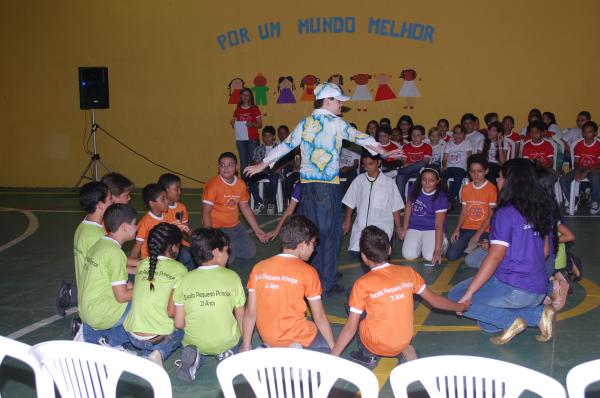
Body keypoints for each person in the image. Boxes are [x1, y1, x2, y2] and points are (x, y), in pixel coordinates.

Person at [244, 83, 399, 296]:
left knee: (311, 233)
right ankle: (326, 282)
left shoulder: (305, 123)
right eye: (338, 101)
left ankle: (317, 277)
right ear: (327, 101)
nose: (341, 106)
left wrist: (263, 164)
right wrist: (384, 152)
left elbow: (286, 145)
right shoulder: (336, 123)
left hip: (307, 187)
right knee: (330, 234)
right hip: (327, 187)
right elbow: (360, 137)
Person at [448, 159, 556, 345]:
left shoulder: (505, 212)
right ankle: (538, 314)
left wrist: (469, 294)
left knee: (456, 296)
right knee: (487, 325)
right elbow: (545, 251)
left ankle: (521, 318)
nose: (497, 181)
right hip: (539, 288)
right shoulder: (541, 207)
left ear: (509, 181)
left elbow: (495, 256)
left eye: (499, 177)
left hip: (515, 288)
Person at [332, 226, 468, 367]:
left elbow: (350, 328)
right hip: (403, 340)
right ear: (390, 249)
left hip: (376, 344)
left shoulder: (362, 284)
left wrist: (331, 359)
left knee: (351, 295)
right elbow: (435, 301)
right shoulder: (408, 272)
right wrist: (461, 306)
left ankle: (368, 354)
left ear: (364, 256)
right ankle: (404, 350)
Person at [242, 215, 335, 352]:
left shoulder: (259, 268)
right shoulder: (308, 272)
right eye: (313, 244)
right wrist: (334, 349)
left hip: (268, 337)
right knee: (325, 346)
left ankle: (269, 348)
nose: (314, 249)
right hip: (296, 336)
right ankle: (295, 353)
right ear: (303, 245)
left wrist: (245, 347)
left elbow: (250, 312)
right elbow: (319, 317)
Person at [174, 228, 245, 382]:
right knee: (235, 338)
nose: (228, 254)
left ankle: (195, 358)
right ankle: (228, 353)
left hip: (195, 340)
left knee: (192, 340)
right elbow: (240, 315)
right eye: (227, 251)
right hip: (225, 340)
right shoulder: (232, 277)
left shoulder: (184, 279)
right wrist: (244, 340)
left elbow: (179, 323)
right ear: (217, 253)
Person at [124, 223, 187, 367]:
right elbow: (172, 312)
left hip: (132, 335)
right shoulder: (180, 270)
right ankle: (159, 353)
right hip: (156, 339)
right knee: (184, 326)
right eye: (178, 245)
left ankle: (112, 341)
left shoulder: (144, 264)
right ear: (173, 247)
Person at [78, 203, 137, 348]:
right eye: (134, 224)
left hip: (86, 311)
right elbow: (122, 296)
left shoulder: (99, 244)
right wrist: (146, 289)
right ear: (124, 227)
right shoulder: (115, 254)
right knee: (146, 303)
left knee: (132, 290)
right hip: (100, 313)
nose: (136, 228)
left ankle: (90, 335)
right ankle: (111, 342)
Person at [56, 181, 113, 317]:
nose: (113, 202)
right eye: (110, 199)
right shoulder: (97, 235)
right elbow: (111, 267)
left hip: (87, 291)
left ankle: (70, 294)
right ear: (100, 205)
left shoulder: (84, 226)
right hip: (96, 300)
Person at [202, 152, 268, 263]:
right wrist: (209, 233)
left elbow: (245, 208)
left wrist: (257, 229)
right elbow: (206, 211)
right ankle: (222, 246)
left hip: (235, 226)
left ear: (236, 167)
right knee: (229, 260)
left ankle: (227, 245)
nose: (226, 168)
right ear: (218, 168)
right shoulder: (213, 185)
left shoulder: (241, 184)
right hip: (217, 227)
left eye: (230, 165)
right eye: (222, 165)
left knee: (250, 253)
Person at [342, 154, 404, 257]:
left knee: (376, 254)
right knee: (355, 253)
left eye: (371, 164)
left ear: (379, 163)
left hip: (381, 227)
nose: (367, 168)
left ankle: (387, 244)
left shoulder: (389, 182)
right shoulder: (359, 180)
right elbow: (350, 201)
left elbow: (395, 207)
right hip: (361, 226)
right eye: (365, 165)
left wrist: (398, 227)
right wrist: (347, 219)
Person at [446, 155, 497, 261]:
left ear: (486, 171)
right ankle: (472, 248)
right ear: (469, 172)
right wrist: (457, 230)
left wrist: (477, 235)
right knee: (451, 255)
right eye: (472, 171)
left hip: (484, 230)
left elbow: (491, 215)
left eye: (479, 171)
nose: (476, 174)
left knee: (475, 253)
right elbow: (464, 211)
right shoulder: (466, 188)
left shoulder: (491, 189)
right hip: (467, 228)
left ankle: (478, 246)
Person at [400, 167, 449, 265]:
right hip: (415, 227)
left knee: (429, 256)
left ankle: (443, 242)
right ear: (420, 179)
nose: (427, 183)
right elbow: (408, 207)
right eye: (424, 179)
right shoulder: (414, 189)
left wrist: (438, 249)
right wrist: (405, 228)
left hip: (432, 228)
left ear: (438, 180)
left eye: (431, 180)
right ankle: (423, 243)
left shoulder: (441, 197)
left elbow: (439, 225)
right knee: (408, 255)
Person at [560, 121, 600, 214]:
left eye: (590, 132)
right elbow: (576, 162)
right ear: (582, 133)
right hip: (580, 168)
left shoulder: (598, 145)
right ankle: (574, 200)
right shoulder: (579, 145)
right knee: (564, 180)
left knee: (596, 177)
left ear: (595, 133)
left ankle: (594, 202)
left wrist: (586, 172)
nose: (587, 134)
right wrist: (577, 171)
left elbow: (599, 164)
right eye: (585, 132)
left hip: (594, 169)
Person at [159, 173, 195, 270]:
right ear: (165, 191)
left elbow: (187, 228)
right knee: (186, 256)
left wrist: (195, 237)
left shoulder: (181, 207)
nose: (179, 192)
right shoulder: (160, 209)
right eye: (176, 189)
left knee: (196, 255)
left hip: (179, 244)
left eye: (180, 189)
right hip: (165, 247)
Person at [129, 184, 171, 265]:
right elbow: (137, 247)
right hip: (149, 262)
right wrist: (132, 263)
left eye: (166, 198)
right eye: (163, 199)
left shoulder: (167, 216)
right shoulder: (145, 223)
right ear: (152, 203)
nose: (167, 201)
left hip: (164, 259)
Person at [249, 126, 280, 215]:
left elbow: (281, 162)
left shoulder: (278, 148)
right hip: (261, 171)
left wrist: (276, 169)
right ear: (262, 137)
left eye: (269, 136)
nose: (267, 138)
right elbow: (255, 162)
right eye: (265, 136)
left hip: (274, 171)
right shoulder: (258, 149)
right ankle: (259, 202)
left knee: (274, 179)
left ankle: (271, 203)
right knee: (250, 179)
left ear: (274, 137)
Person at [396, 125, 432, 202]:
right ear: (410, 136)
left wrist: (412, 165)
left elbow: (426, 162)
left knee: (421, 163)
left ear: (423, 137)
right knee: (400, 177)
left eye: (418, 135)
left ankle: (397, 171)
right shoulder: (406, 146)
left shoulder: (427, 146)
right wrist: (413, 165)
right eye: (413, 135)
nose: (415, 137)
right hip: (407, 172)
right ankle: (401, 203)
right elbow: (404, 163)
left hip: (421, 172)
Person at [231, 88, 262, 176]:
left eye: (247, 95)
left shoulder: (254, 109)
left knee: (253, 162)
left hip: (253, 139)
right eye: (243, 95)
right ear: (241, 96)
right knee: (243, 162)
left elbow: (260, 124)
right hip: (241, 139)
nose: (245, 97)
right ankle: (244, 184)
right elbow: (235, 126)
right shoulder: (237, 110)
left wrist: (252, 124)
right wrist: (233, 123)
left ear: (250, 97)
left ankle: (253, 184)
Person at [442, 125, 473, 205]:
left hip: (461, 168)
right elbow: (445, 159)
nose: (458, 135)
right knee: (442, 178)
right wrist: (444, 166)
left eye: (460, 133)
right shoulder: (449, 144)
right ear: (453, 134)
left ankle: (451, 200)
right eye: (456, 133)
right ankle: (446, 197)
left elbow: (469, 158)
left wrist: (469, 170)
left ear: (464, 134)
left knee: (458, 179)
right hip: (449, 168)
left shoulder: (467, 143)